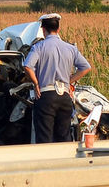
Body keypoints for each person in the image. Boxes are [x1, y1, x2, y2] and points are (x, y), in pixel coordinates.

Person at [23, 13, 91, 143]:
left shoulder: (38, 47)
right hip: (65, 97)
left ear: (43, 29)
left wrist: (36, 83)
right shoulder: (71, 48)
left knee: (44, 137)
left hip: (45, 96)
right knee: (64, 136)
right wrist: (69, 81)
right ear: (58, 29)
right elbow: (86, 67)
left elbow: (27, 66)